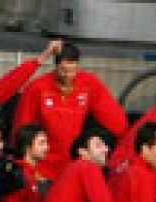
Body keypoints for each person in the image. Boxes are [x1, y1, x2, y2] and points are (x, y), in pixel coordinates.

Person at [12, 43, 128, 181]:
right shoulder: (37, 89)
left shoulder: (89, 84)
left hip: (74, 169)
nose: (68, 75)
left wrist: (123, 150)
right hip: (43, 170)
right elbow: (21, 130)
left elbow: (117, 122)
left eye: (73, 70)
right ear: (56, 66)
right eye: (63, 70)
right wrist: (26, 168)